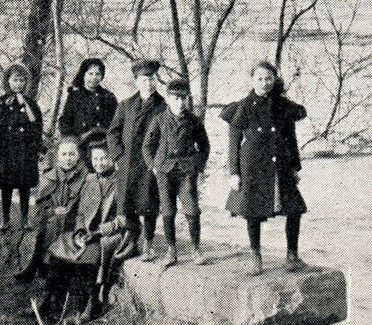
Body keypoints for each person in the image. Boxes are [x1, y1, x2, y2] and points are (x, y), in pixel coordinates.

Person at [219, 61, 309, 275]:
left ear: (274, 80)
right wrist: (234, 172)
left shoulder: (282, 105)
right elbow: (233, 142)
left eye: (268, 78)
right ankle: (256, 256)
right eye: (259, 79)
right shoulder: (243, 106)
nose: (264, 83)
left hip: (280, 164)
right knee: (252, 212)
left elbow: (291, 137)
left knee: (295, 209)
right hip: (252, 166)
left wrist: (295, 166)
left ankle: (292, 255)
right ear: (252, 80)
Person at [45, 134, 138, 321]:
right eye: (95, 159)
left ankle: (90, 305)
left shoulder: (122, 181)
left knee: (91, 256)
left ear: (113, 158)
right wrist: (80, 230)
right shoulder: (90, 180)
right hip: (88, 231)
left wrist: (97, 232)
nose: (99, 163)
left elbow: (124, 219)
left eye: (104, 158)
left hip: (114, 233)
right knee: (60, 247)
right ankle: (50, 299)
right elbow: (81, 212)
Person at [141, 78, 210, 268]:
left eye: (183, 98)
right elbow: (147, 146)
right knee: (168, 211)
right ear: (168, 100)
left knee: (192, 210)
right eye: (175, 98)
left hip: (186, 171)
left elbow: (204, 146)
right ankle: (172, 250)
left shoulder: (193, 121)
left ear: (187, 99)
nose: (180, 103)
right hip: (164, 171)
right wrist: (153, 166)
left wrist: (198, 165)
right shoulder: (159, 119)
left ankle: (196, 249)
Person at [105, 59, 165, 258]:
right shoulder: (126, 105)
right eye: (143, 79)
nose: (148, 83)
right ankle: (132, 237)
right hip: (128, 163)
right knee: (127, 203)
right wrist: (118, 156)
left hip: (150, 164)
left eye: (152, 79)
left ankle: (148, 241)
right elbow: (113, 132)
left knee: (149, 205)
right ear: (136, 81)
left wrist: (159, 161)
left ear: (156, 81)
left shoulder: (163, 106)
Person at [11, 135, 86, 283]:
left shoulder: (85, 176)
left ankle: (59, 270)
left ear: (78, 156)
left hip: (73, 220)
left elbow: (86, 205)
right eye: (64, 154)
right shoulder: (49, 176)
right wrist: (52, 210)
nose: (68, 158)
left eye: (72, 154)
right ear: (58, 156)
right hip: (51, 218)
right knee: (47, 228)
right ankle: (38, 265)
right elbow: (40, 205)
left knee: (67, 233)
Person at [0, 63, 43, 232]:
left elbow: (37, 127)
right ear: (8, 81)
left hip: (25, 151)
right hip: (6, 151)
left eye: (22, 80)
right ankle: (6, 219)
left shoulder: (31, 104)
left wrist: (37, 149)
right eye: (15, 80)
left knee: (25, 186)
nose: (18, 84)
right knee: (6, 186)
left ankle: (25, 219)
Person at [58, 57, 118, 142]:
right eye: (90, 74)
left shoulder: (108, 97)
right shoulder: (74, 97)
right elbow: (65, 122)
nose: (94, 77)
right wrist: (72, 141)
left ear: (102, 76)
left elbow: (116, 123)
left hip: (103, 143)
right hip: (81, 144)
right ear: (83, 75)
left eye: (98, 74)